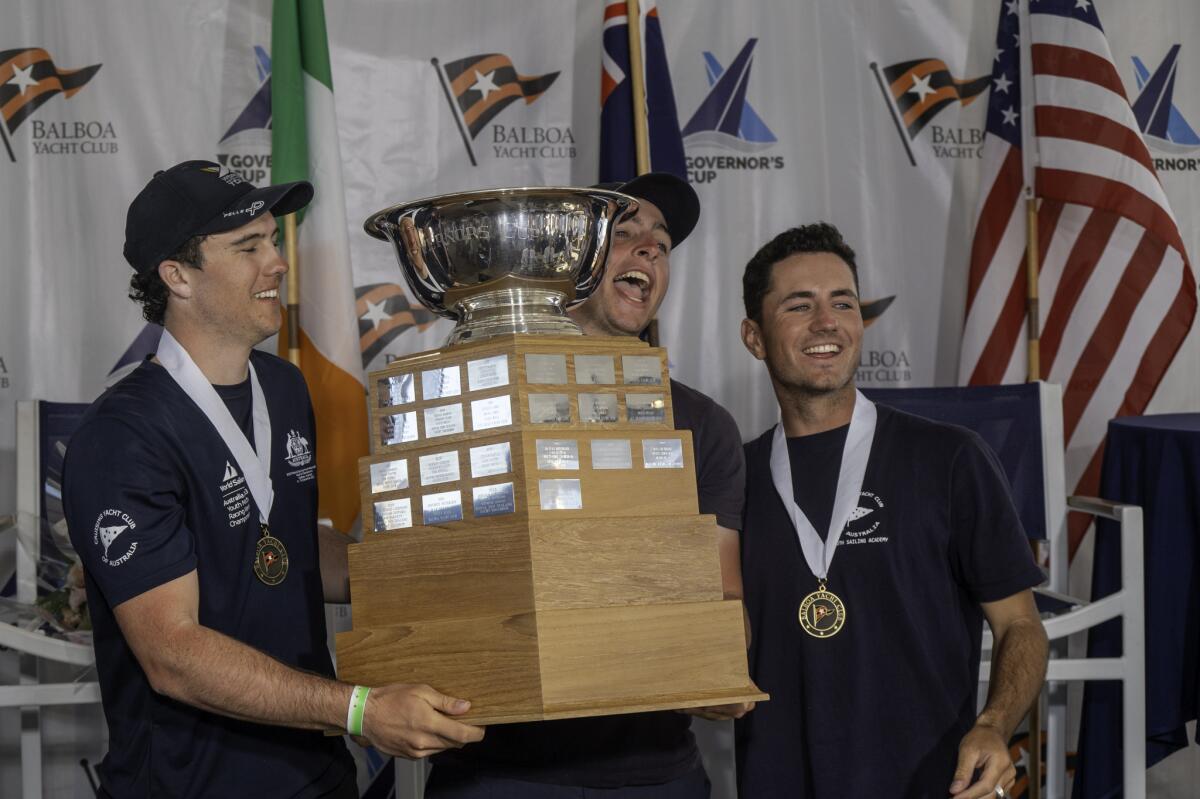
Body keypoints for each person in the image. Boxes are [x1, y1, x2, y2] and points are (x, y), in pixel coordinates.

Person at [62, 160, 484, 799]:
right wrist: (360, 711)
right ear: (177, 275)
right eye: (247, 246)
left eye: (274, 240)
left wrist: (430, 573)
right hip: (195, 785)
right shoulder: (122, 436)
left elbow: (285, 543)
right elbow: (172, 653)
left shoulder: (283, 388)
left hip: (317, 773)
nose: (278, 262)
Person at [425, 173, 750, 798]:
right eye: (624, 235)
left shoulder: (704, 425)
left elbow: (722, 589)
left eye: (660, 242)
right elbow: (432, 577)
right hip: (499, 773)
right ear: (564, 261)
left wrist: (724, 662)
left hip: (655, 772)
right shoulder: (478, 397)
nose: (649, 250)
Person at [734, 223, 1049, 799]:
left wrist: (993, 725)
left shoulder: (951, 458)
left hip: (931, 785)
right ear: (754, 337)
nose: (827, 322)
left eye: (843, 303)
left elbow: (1021, 627)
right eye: (799, 305)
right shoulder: (734, 477)